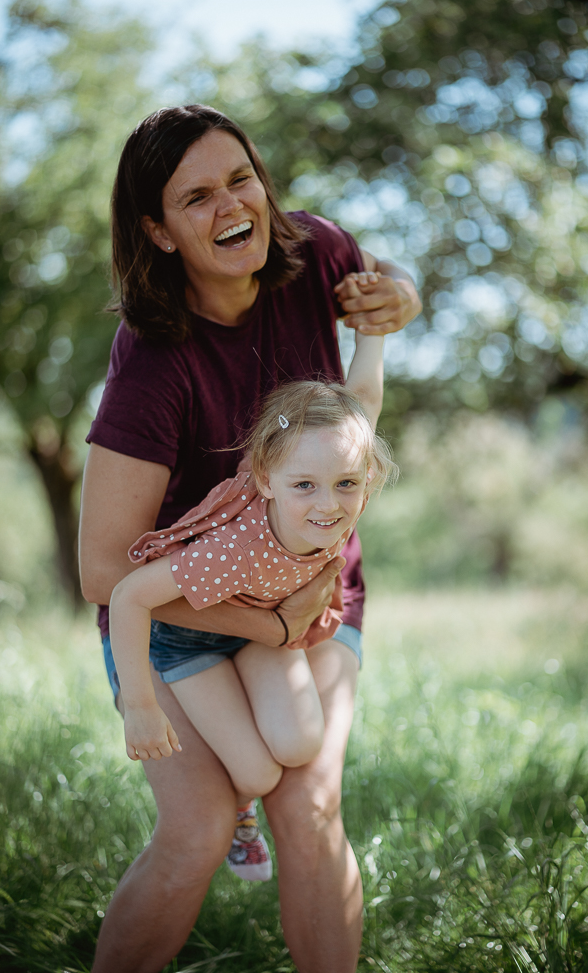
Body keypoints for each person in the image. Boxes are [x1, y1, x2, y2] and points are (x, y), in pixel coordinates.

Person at [79, 103, 421, 973]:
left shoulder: (314, 251)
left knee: (306, 802)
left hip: (309, 592)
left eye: (241, 180)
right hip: (169, 610)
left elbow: (380, 290)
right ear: (157, 232)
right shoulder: (155, 363)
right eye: (197, 197)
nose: (234, 206)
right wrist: (265, 627)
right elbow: (99, 568)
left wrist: (404, 291)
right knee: (197, 828)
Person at [109, 346, 396, 873]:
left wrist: (372, 334)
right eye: (304, 485)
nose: (327, 504)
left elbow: (366, 399)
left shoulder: (338, 493)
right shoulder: (234, 550)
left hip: (258, 630)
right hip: (187, 640)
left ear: (367, 477)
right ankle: (243, 814)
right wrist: (141, 705)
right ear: (265, 480)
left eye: (346, 484)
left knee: (301, 741)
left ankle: (250, 714)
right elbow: (127, 594)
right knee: (260, 774)